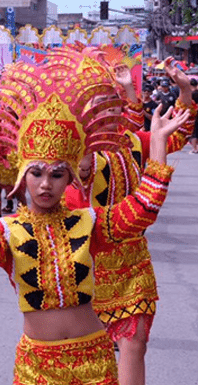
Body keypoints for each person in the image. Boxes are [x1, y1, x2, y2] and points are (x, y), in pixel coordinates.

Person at [0, 51, 190, 384]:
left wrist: (156, 143)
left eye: (57, 175)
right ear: (21, 176)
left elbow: (143, 209)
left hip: (94, 359)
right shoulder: (10, 230)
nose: (45, 184)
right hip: (37, 364)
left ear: (70, 179)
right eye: (36, 173)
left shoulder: (89, 222)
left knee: (135, 344)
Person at [65, 56, 196, 385]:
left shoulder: (135, 142)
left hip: (132, 266)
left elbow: (179, 131)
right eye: (97, 106)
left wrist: (184, 90)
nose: (106, 112)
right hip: (85, 267)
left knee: (134, 344)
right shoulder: (68, 154)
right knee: (91, 356)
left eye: (111, 104)